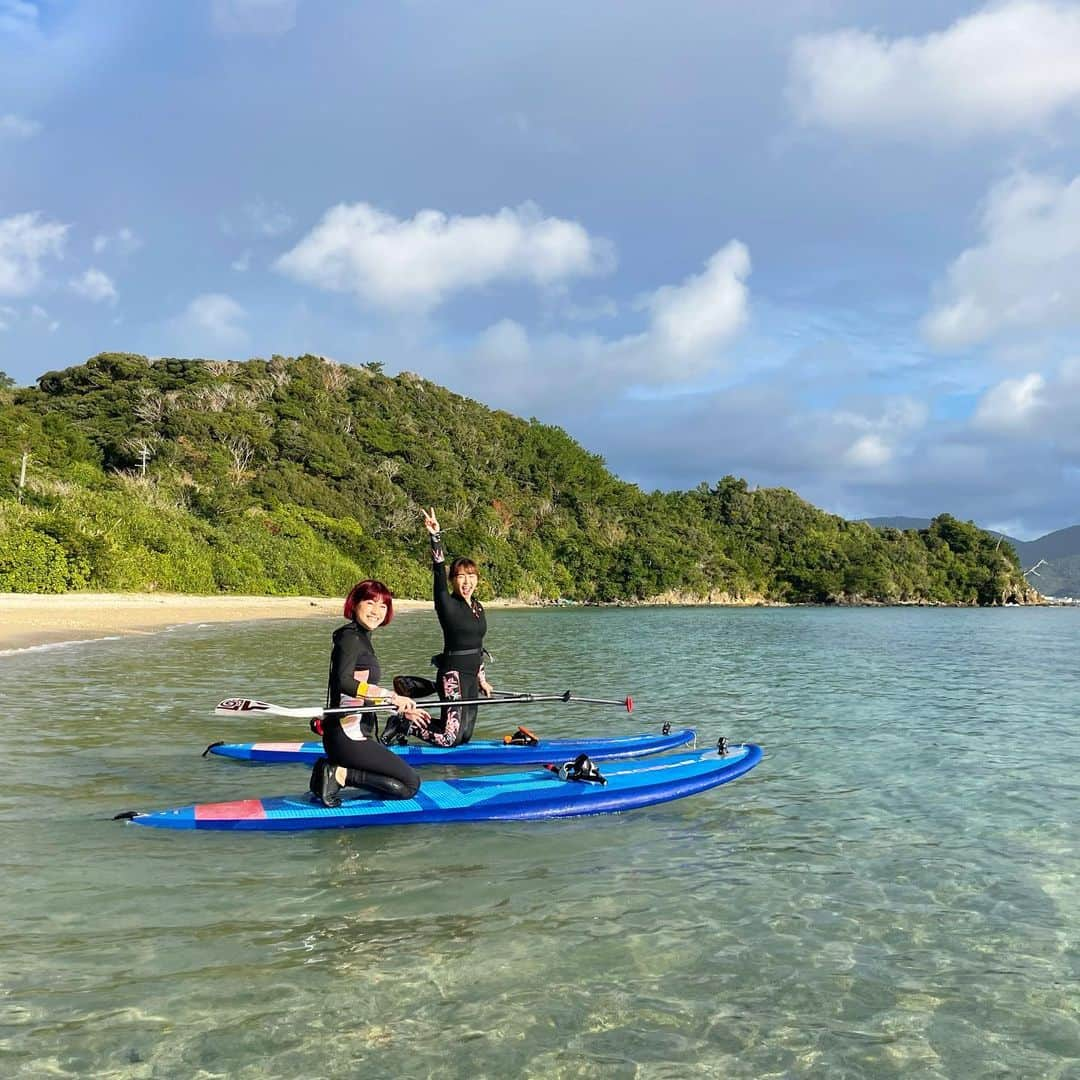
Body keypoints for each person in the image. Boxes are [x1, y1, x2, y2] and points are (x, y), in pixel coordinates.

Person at [310, 579, 428, 807]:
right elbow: (345, 683)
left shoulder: (360, 637)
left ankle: (332, 772)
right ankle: (338, 775)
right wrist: (391, 696)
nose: (377, 611)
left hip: (350, 733)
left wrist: (399, 708)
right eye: (370, 603)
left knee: (402, 782)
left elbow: (359, 695)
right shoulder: (351, 638)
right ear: (355, 604)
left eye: (383, 606)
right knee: (410, 785)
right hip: (347, 736)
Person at [407, 507, 493, 747]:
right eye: (461, 577)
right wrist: (435, 537)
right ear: (453, 580)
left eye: (471, 576)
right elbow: (438, 571)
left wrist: (482, 679)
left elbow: (478, 646)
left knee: (464, 736)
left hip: (471, 677)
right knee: (449, 738)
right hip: (452, 675)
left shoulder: (478, 607)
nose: (467, 582)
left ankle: (420, 725)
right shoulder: (447, 604)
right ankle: (407, 724)